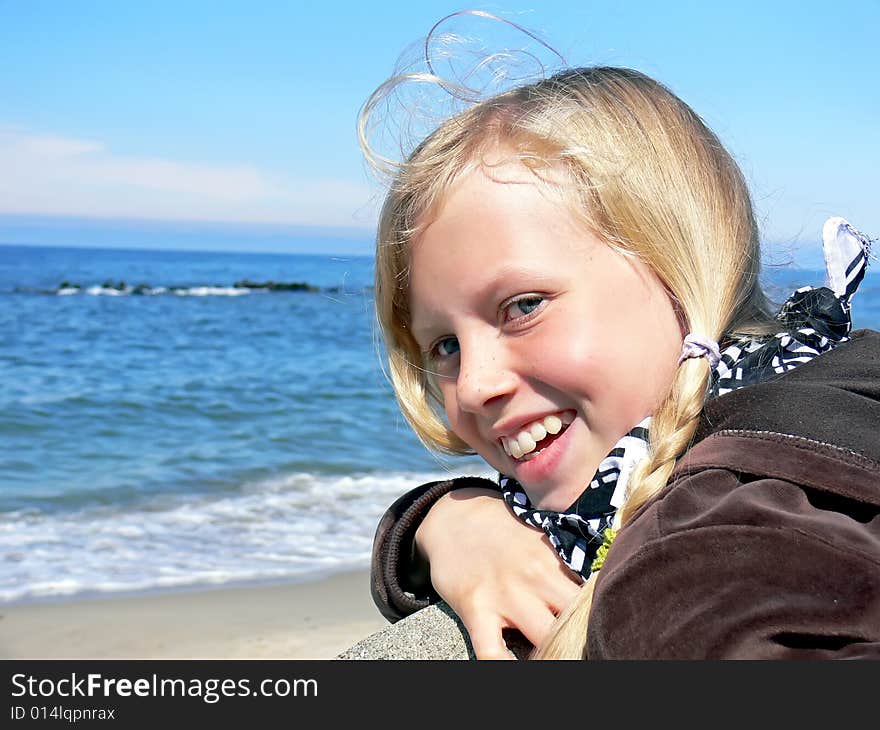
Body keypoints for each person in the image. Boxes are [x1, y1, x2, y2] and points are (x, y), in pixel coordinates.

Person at [359, 53, 880, 659]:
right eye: (444, 345)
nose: (473, 386)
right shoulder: (811, 395)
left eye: (523, 306)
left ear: (680, 266)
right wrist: (446, 522)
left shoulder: (703, 555)